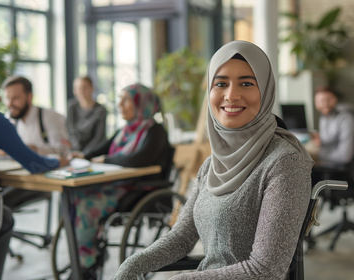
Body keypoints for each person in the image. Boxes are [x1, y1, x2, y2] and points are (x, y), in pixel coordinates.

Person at [113, 40, 314, 280]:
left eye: (247, 83)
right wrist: (132, 265)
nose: (231, 95)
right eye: (221, 84)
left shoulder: (284, 163)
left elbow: (266, 271)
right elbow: (181, 238)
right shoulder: (212, 164)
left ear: (266, 90)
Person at [70, 83, 170, 278]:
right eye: (120, 99)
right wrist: (81, 156)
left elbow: (137, 160)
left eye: (125, 99)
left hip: (140, 191)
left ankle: (86, 265)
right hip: (117, 186)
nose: (119, 104)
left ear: (141, 104)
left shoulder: (156, 131)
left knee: (86, 205)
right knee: (72, 199)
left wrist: (106, 160)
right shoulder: (125, 131)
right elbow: (100, 149)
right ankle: (86, 256)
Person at [0, 64, 68, 280]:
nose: (2, 100)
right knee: (4, 218)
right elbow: (35, 164)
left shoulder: (46, 116)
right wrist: (59, 161)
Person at [0, 76, 71, 210]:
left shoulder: (49, 116)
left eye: (15, 98)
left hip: (41, 179)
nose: (9, 104)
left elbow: (63, 150)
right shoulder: (9, 119)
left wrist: (32, 149)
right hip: (15, 175)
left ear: (29, 97)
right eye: (7, 98)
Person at [308, 86, 354, 167]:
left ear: (335, 99)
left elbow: (345, 156)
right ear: (315, 103)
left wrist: (318, 154)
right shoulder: (324, 118)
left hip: (337, 164)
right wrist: (320, 141)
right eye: (320, 101)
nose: (325, 104)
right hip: (328, 157)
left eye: (328, 99)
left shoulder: (346, 119)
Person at [66, 76, 107, 154]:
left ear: (92, 88)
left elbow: (99, 137)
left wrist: (85, 154)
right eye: (78, 88)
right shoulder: (71, 107)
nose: (81, 91)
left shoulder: (100, 110)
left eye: (85, 87)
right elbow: (70, 130)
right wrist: (76, 150)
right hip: (74, 151)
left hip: (93, 152)